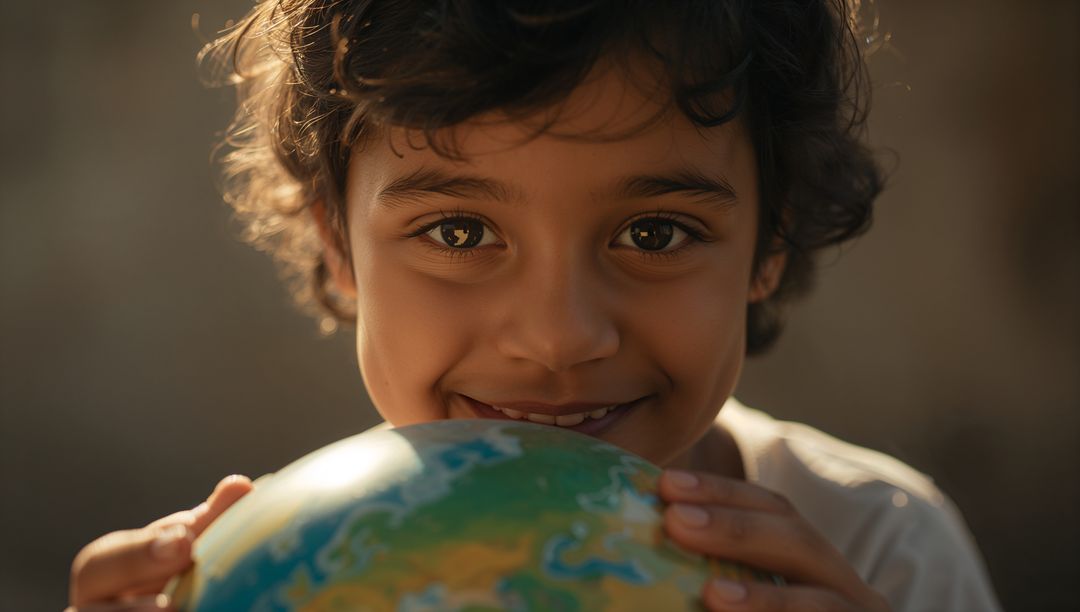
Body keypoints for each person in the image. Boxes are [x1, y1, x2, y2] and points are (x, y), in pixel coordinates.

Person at [68, 1, 1002, 610]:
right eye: (461, 233)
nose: (558, 338)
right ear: (336, 244)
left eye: (654, 234)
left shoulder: (881, 552)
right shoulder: (277, 576)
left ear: (772, 242)